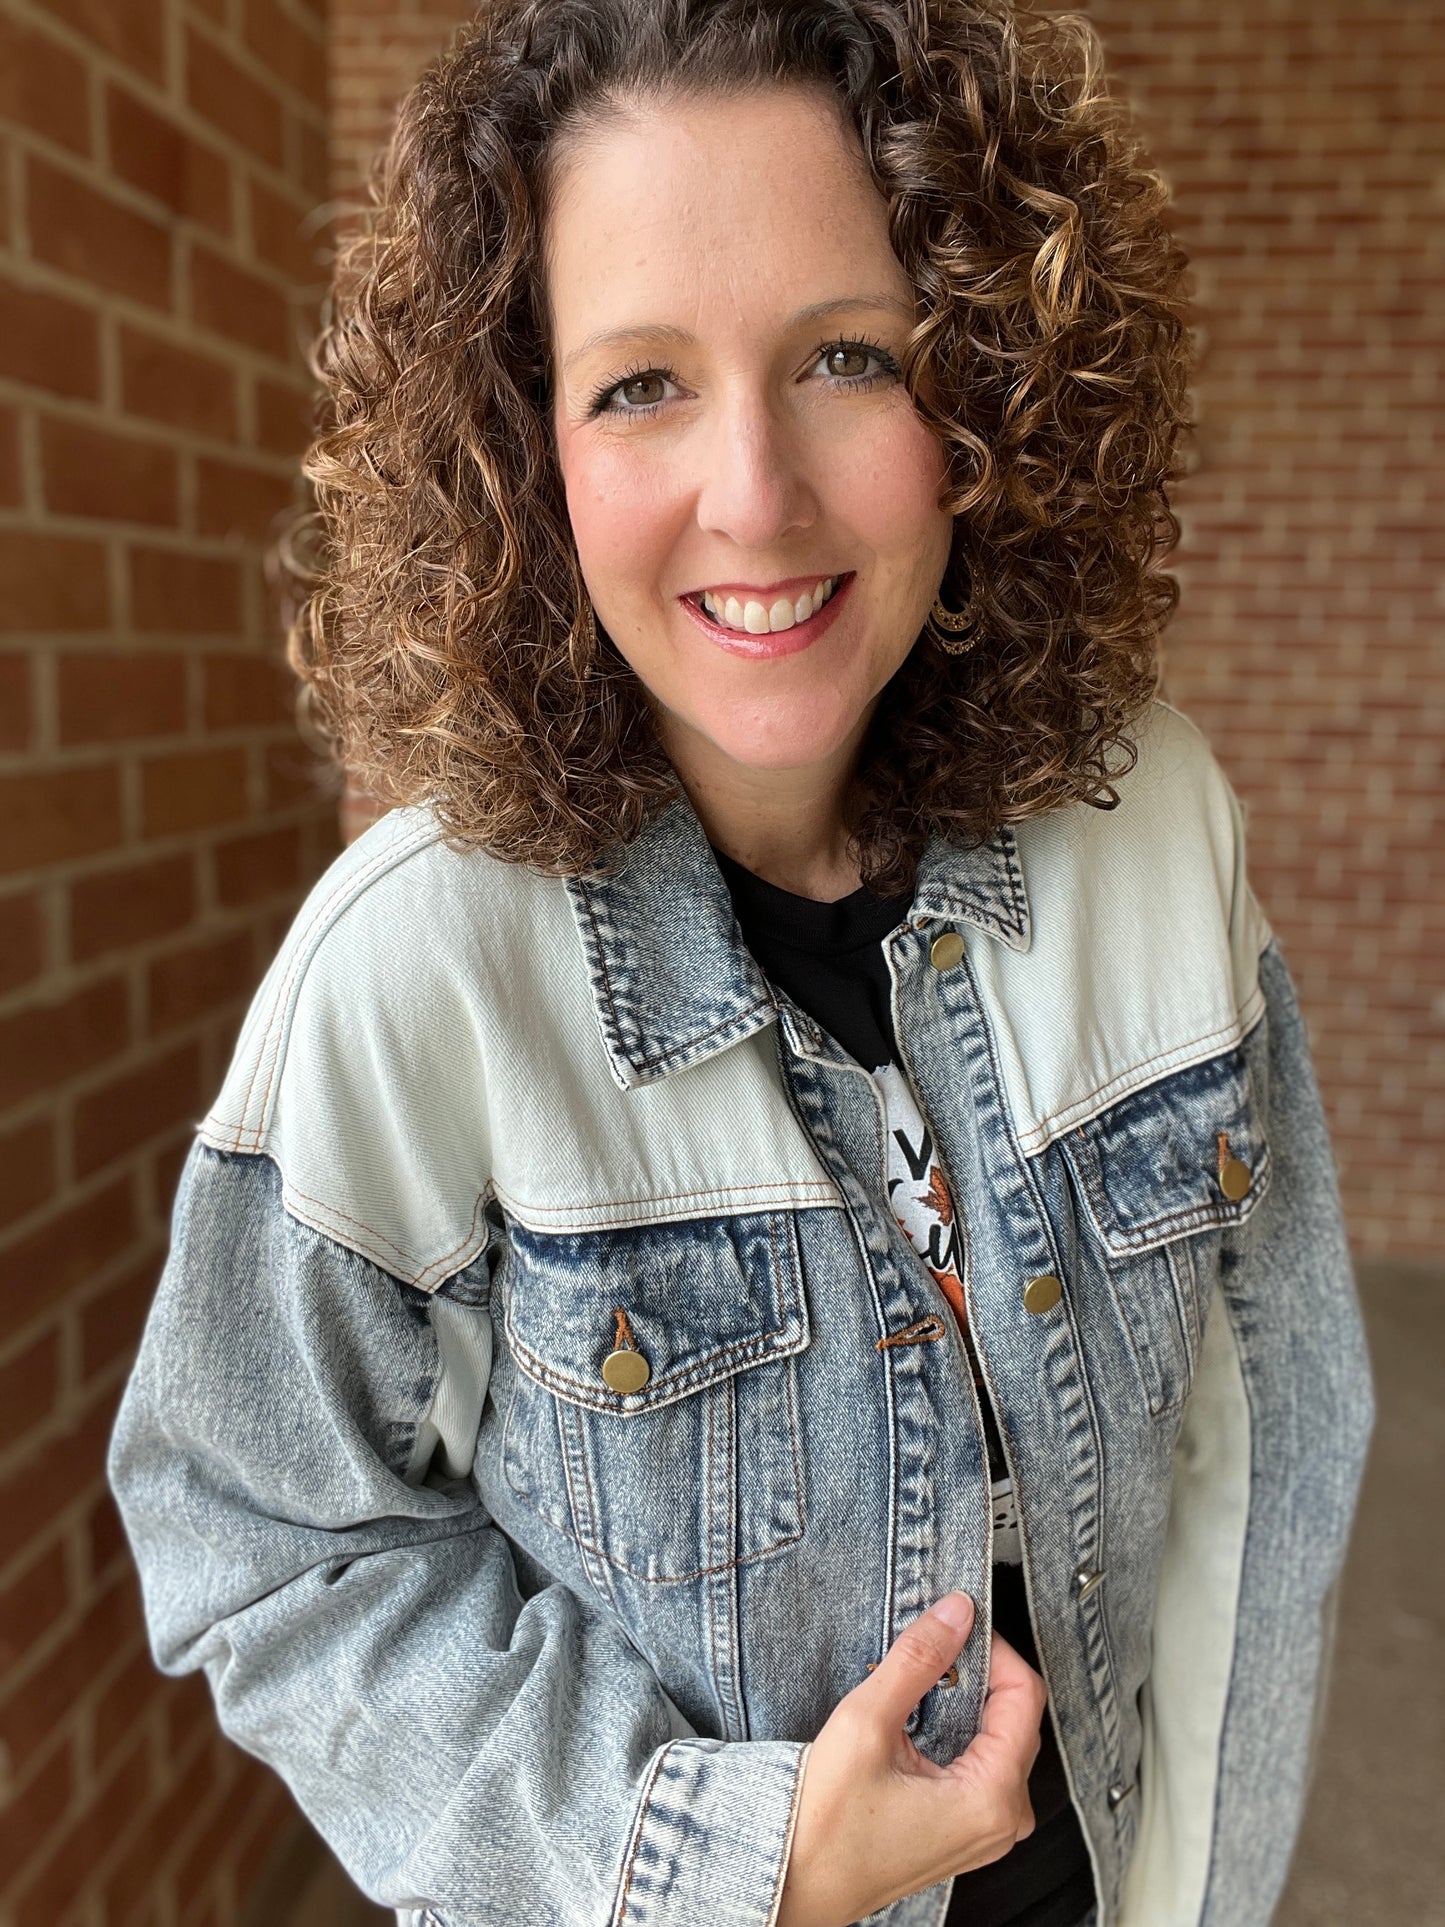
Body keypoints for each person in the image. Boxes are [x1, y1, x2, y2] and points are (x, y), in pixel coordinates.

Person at [107, 3, 1375, 1925]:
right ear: (517, 447)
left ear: (991, 389)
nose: (756, 495)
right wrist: (725, 1870)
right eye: (637, 387)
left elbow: (1270, 1429)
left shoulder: (1156, 824)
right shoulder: (409, 970)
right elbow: (260, 1540)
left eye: (847, 356)